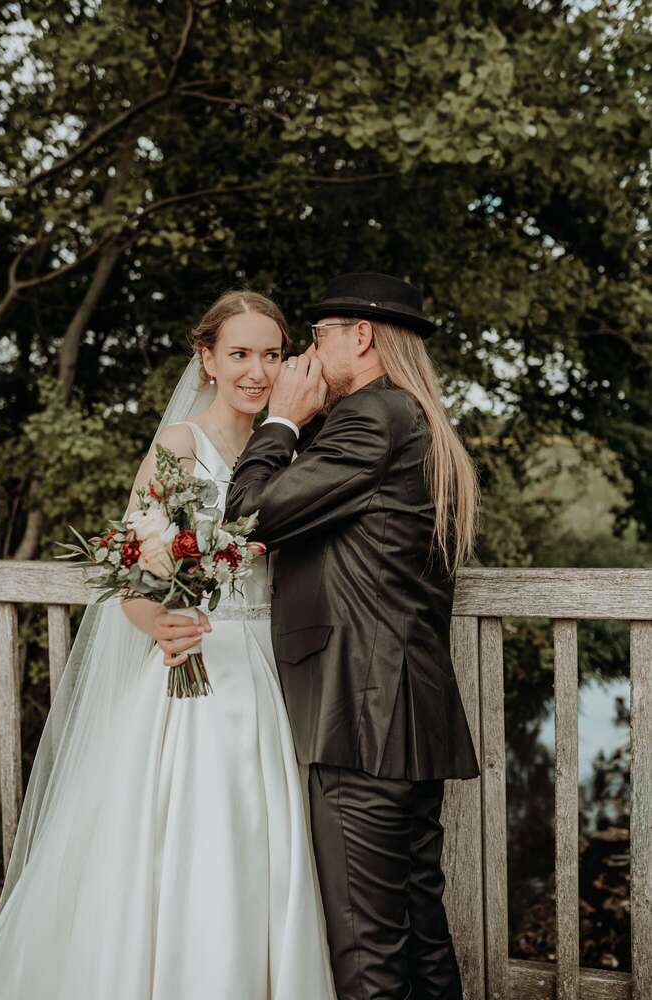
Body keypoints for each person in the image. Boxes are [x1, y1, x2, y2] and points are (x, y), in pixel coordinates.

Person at [0, 291, 336, 1000]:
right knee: (198, 841)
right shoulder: (180, 448)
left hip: (275, 667)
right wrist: (161, 622)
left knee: (268, 842)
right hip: (199, 672)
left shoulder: (297, 440)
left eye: (271, 354)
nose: (256, 370)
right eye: (238, 353)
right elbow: (137, 575)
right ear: (205, 359)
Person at [225, 272, 481, 1000]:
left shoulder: (369, 418)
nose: (305, 356)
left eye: (316, 337)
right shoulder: (413, 417)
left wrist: (278, 423)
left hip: (360, 718)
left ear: (359, 337)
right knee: (418, 930)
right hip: (403, 712)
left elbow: (248, 515)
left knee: (365, 947)